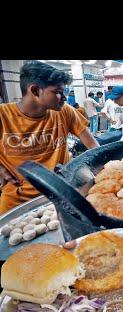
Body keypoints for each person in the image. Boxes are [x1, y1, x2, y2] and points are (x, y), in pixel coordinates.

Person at [0, 61, 99, 214]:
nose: (65, 98)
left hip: (62, 196)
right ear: (35, 90)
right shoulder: (3, 116)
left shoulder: (65, 112)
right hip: (18, 203)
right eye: (58, 92)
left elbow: (92, 145)